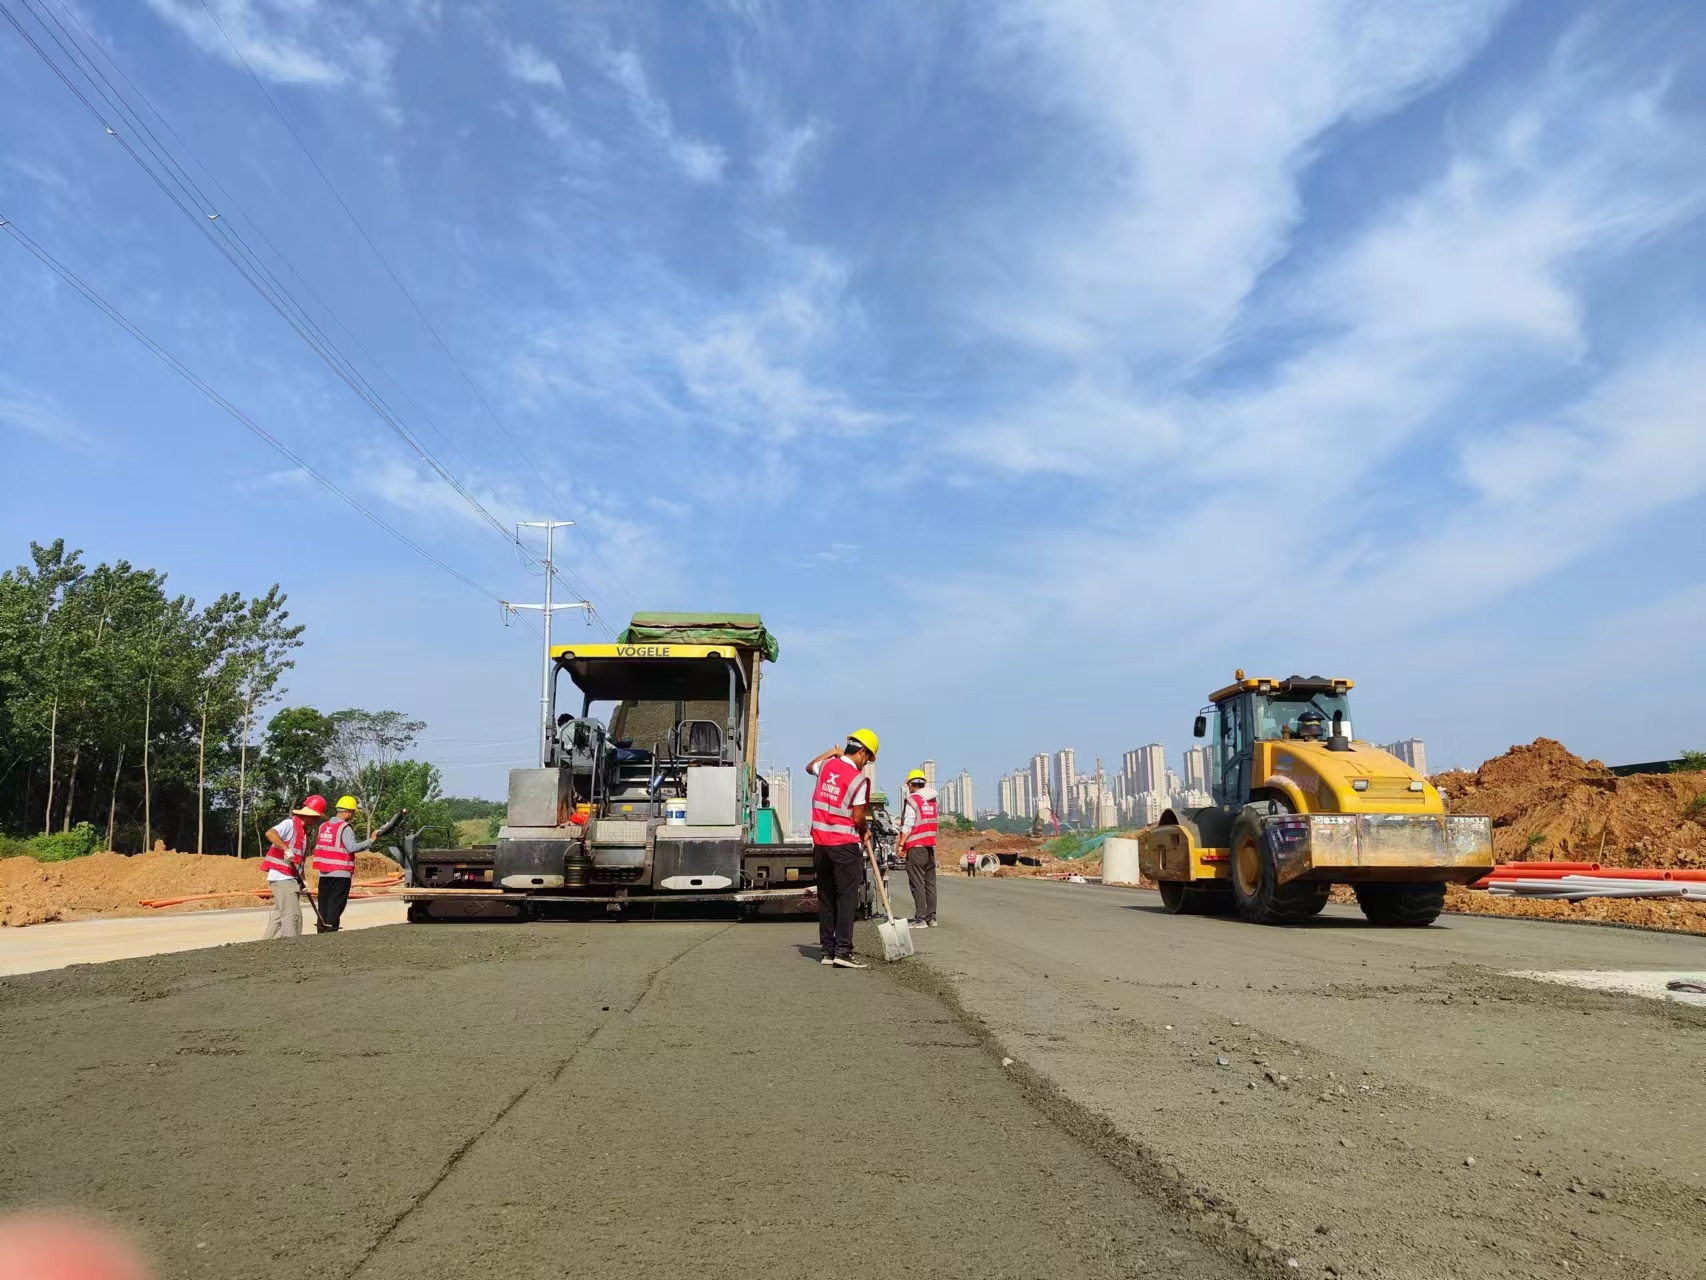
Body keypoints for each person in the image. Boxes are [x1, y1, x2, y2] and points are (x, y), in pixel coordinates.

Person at [806, 729, 878, 969]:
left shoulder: (827, 767)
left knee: (826, 898)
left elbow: (809, 767)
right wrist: (864, 830)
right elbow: (858, 817)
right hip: (844, 846)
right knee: (846, 899)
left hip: (821, 845)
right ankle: (843, 952)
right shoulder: (858, 780)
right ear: (861, 752)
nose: (866, 763)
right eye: (867, 758)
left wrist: (832, 752)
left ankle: (827, 950)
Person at [308, 795, 375, 933]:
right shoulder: (345, 827)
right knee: (335, 905)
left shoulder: (323, 827)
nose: (353, 815)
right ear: (349, 811)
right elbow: (352, 847)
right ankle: (331, 935)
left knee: (324, 906)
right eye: (353, 812)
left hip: (324, 873)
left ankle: (321, 933)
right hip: (341, 873)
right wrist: (371, 840)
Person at [261, 794, 325, 939]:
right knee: (292, 916)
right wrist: (285, 848)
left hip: (290, 878)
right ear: (311, 815)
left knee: (278, 918)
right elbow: (270, 833)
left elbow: (299, 862)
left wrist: (303, 881)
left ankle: (266, 947)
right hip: (281, 877)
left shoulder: (304, 834)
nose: (317, 821)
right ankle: (293, 947)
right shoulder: (289, 824)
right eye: (317, 817)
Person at [899, 768, 940, 927]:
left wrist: (901, 844)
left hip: (916, 847)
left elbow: (908, 824)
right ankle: (931, 918)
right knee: (930, 884)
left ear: (910, 784)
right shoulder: (933, 801)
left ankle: (920, 919)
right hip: (929, 846)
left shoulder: (912, 800)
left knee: (917, 883)